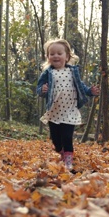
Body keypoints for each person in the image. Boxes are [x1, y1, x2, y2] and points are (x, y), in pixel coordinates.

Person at [36, 38, 100, 171]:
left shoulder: (72, 71)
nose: (56, 56)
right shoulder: (48, 73)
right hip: (54, 112)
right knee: (56, 140)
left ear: (67, 56)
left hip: (70, 111)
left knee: (67, 137)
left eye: (59, 53)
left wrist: (90, 91)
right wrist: (42, 90)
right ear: (48, 57)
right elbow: (39, 89)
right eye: (52, 54)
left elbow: (80, 86)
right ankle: (61, 152)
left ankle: (68, 161)